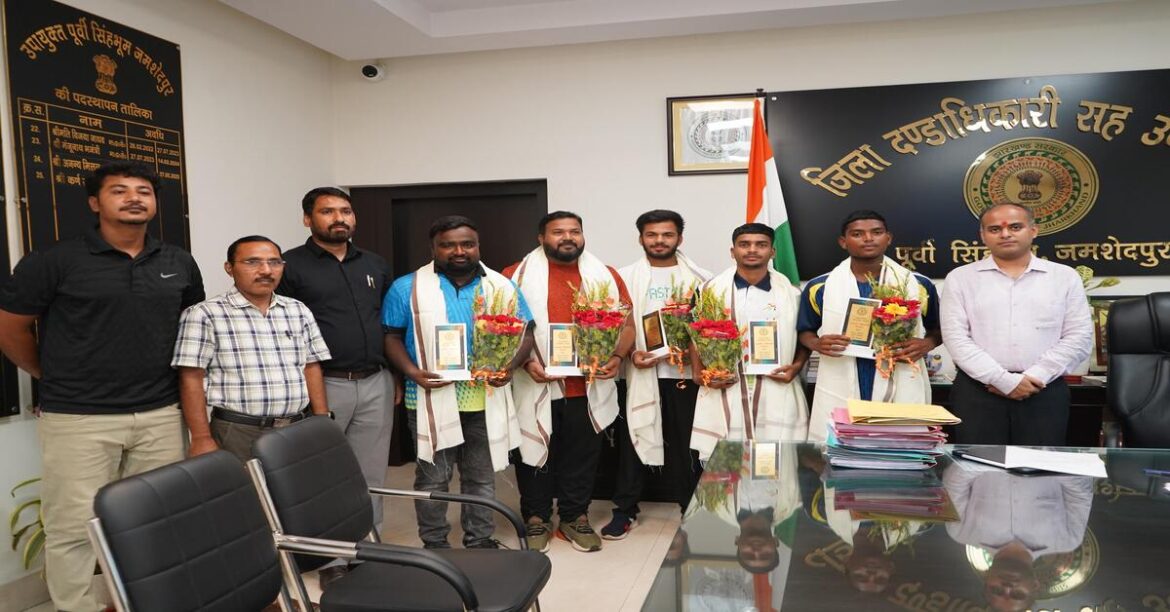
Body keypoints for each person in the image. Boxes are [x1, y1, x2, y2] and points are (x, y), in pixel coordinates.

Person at [0, 162, 205, 612]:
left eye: (144, 191)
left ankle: (139, 602)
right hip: (79, 419)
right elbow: (11, 330)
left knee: (154, 520)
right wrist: (47, 376)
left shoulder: (178, 262)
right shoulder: (52, 261)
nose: (134, 198)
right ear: (96, 203)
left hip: (160, 414)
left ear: (154, 202)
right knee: (73, 528)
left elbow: (191, 332)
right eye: (120, 190)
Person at [382, 215, 534, 550]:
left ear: (478, 246)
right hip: (427, 395)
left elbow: (527, 332)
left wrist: (508, 366)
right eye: (448, 245)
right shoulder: (407, 287)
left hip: (484, 396)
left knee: (480, 477)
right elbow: (391, 335)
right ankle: (434, 542)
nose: (459, 251)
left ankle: (479, 540)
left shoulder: (502, 286)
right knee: (433, 477)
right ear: (433, 248)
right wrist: (412, 372)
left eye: (467, 243)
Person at [277, 187, 395, 589]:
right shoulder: (289, 265)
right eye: (327, 211)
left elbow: (384, 320)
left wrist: (391, 375)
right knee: (324, 477)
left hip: (376, 381)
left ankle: (369, 547)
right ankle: (330, 558)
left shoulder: (375, 264)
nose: (339, 218)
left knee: (370, 474)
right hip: (323, 384)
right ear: (308, 219)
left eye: (345, 210)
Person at [503, 211, 634, 553]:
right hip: (534, 381)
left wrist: (617, 357)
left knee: (583, 455)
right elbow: (502, 326)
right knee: (535, 451)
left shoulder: (605, 275)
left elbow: (628, 326)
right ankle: (536, 518)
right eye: (558, 232)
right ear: (541, 238)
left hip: (586, 386)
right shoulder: (513, 275)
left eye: (574, 231)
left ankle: (575, 517)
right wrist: (526, 362)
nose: (567, 237)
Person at [941, 203, 1093, 445]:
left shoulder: (1064, 277)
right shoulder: (960, 278)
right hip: (978, 392)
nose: (1005, 234)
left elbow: (1079, 336)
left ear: (1033, 231)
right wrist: (1003, 380)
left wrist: (1035, 376)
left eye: (1015, 227)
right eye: (994, 229)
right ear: (982, 236)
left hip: (1043, 390)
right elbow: (956, 338)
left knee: (1040, 472)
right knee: (977, 470)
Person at [172, 235, 332, 463]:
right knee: (244, 495)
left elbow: (311, 366)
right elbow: (191, 377)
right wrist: (200, 437)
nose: (266, 270)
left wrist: (321, 419)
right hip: (239, 431)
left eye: (275, 262)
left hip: (297, 427)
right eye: (252, 262)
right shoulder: (204, 314)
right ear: (229, 268)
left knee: (295, 495)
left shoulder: (297, 310)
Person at [603, 209, 711, 540]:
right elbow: (615, 326)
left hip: (683, 376)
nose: (659, 241)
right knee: (632, 441)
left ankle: (691, 507)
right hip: (638, 374)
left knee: (687, 446)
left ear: (679, 238)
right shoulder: (622, 277)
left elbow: (711, 328)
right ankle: (624, 510)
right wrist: (630, 352)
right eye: (652, 235)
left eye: (667, 234)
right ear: (641, 238)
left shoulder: (702, 279)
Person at [798, 210, 940, 441]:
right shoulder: (820, 286)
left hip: (899, 372)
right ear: (843, 242)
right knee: (842, 452)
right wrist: (817, 343)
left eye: (876, 232)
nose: (868, 239)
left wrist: (927, 343)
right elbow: (804, 330)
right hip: (844, 368)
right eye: (857, 234)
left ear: (888, 238)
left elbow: (938, 330)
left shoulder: (918, 284)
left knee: (899, 451)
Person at [690, 223, 809, 458]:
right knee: (727, 465)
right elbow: (695, 334)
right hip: (728, 385)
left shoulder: (792, 294)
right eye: (744, 244)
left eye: (761, 245)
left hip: (776, 385)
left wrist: (796, 367)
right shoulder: (709, 291)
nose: (752, 250)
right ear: (733, 251)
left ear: (772, 252)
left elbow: (805, 336)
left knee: (777, 462)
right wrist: (698, 372)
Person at [943, 463, 1093, 611]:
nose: (1007, 588)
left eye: (997, 591)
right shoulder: (1068, 539)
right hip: (1050, 446)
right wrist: (1043, 459)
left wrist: (994, 458)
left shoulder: (960, 532)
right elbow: (1081, 490)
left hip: (985, 443)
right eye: (1018, 594)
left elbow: (953, 481)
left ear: (986, 579)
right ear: (1035, 585)